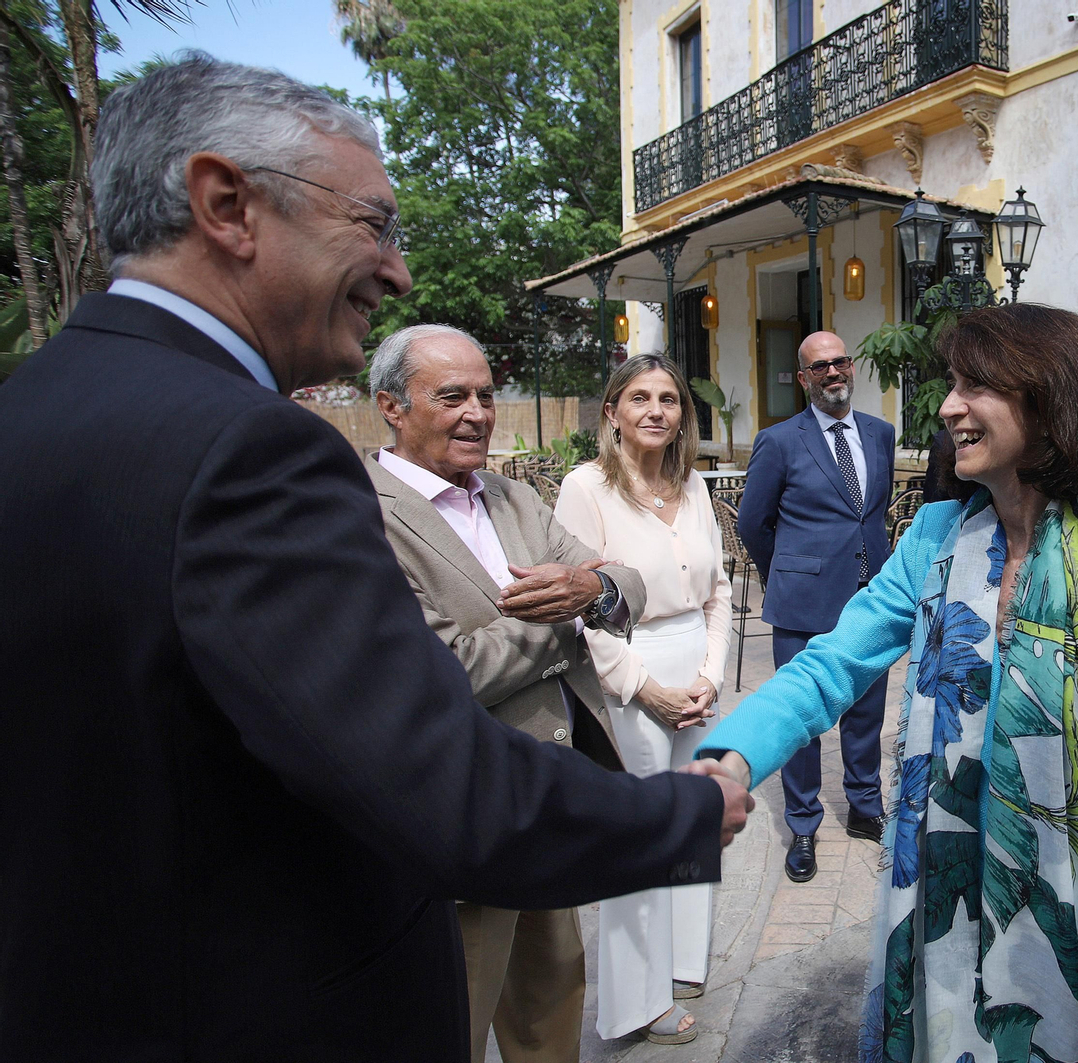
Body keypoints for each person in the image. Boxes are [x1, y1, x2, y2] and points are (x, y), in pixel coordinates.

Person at [0, 55, 752, 1062]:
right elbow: (431, 764)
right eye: (371, 224)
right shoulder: (255, 448)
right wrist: (685, 810)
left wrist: (589, 594)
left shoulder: (30, 407)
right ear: (226, 205)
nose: (395, 272)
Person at [695, 304, 1078, 1061]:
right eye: (952, 384)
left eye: (976, 385)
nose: (950, 407)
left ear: (1051, 401)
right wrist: (732, 759)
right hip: (944, 918)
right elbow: (832, 663)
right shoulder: (936, 538)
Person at [366, 324, 640, 1063]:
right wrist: (568, 623)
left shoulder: (512, 496)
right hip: (457, 821)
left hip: (544, 804)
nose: (478, 414)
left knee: (549, 1012)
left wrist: (594, 588)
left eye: (486, 396)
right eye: (452, 396)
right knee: (451, 1021)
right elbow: (442, 672)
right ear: (391, 407)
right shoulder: (362, 515)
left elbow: (625, 582)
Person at [554, 355, 733, 1046]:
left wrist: (711, 675)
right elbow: (580, 609)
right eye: (639, 398)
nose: (656, 410)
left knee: (694, 815)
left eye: (669, 398)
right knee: (641, 832)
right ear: (613, 412)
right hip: (629, 672)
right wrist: (643, 687)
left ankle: (683, 961)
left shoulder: (692, 487)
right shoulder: (586, 488)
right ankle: (637, 1000)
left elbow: (719, 592)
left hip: (697, 669)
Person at [736, 330, 896, 883]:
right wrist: (785, 574)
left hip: (870, 599)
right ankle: (802, 825)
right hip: (803, 602)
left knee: (866, 713)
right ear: (804, 377)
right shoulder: (779, 441)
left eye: (840, 362)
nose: (833, 372)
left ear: (851, 367)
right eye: (820, 366)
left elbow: (871, 514)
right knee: (801, 717)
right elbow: (752, 523)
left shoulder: (880, 434)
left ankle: (864, 806)